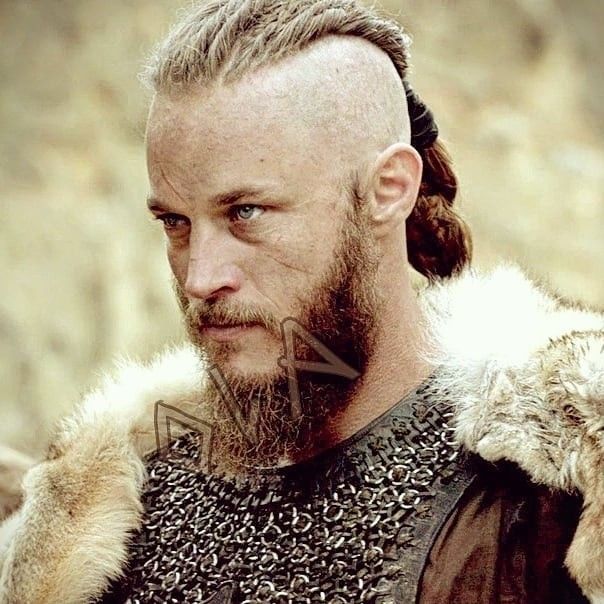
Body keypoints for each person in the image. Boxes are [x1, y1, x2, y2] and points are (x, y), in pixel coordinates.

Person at [1, 1, 603, 602]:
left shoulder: (549, 506)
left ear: (388, 189)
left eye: (246, 213)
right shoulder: (110, 514)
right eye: (175, 223)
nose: (200, 279)